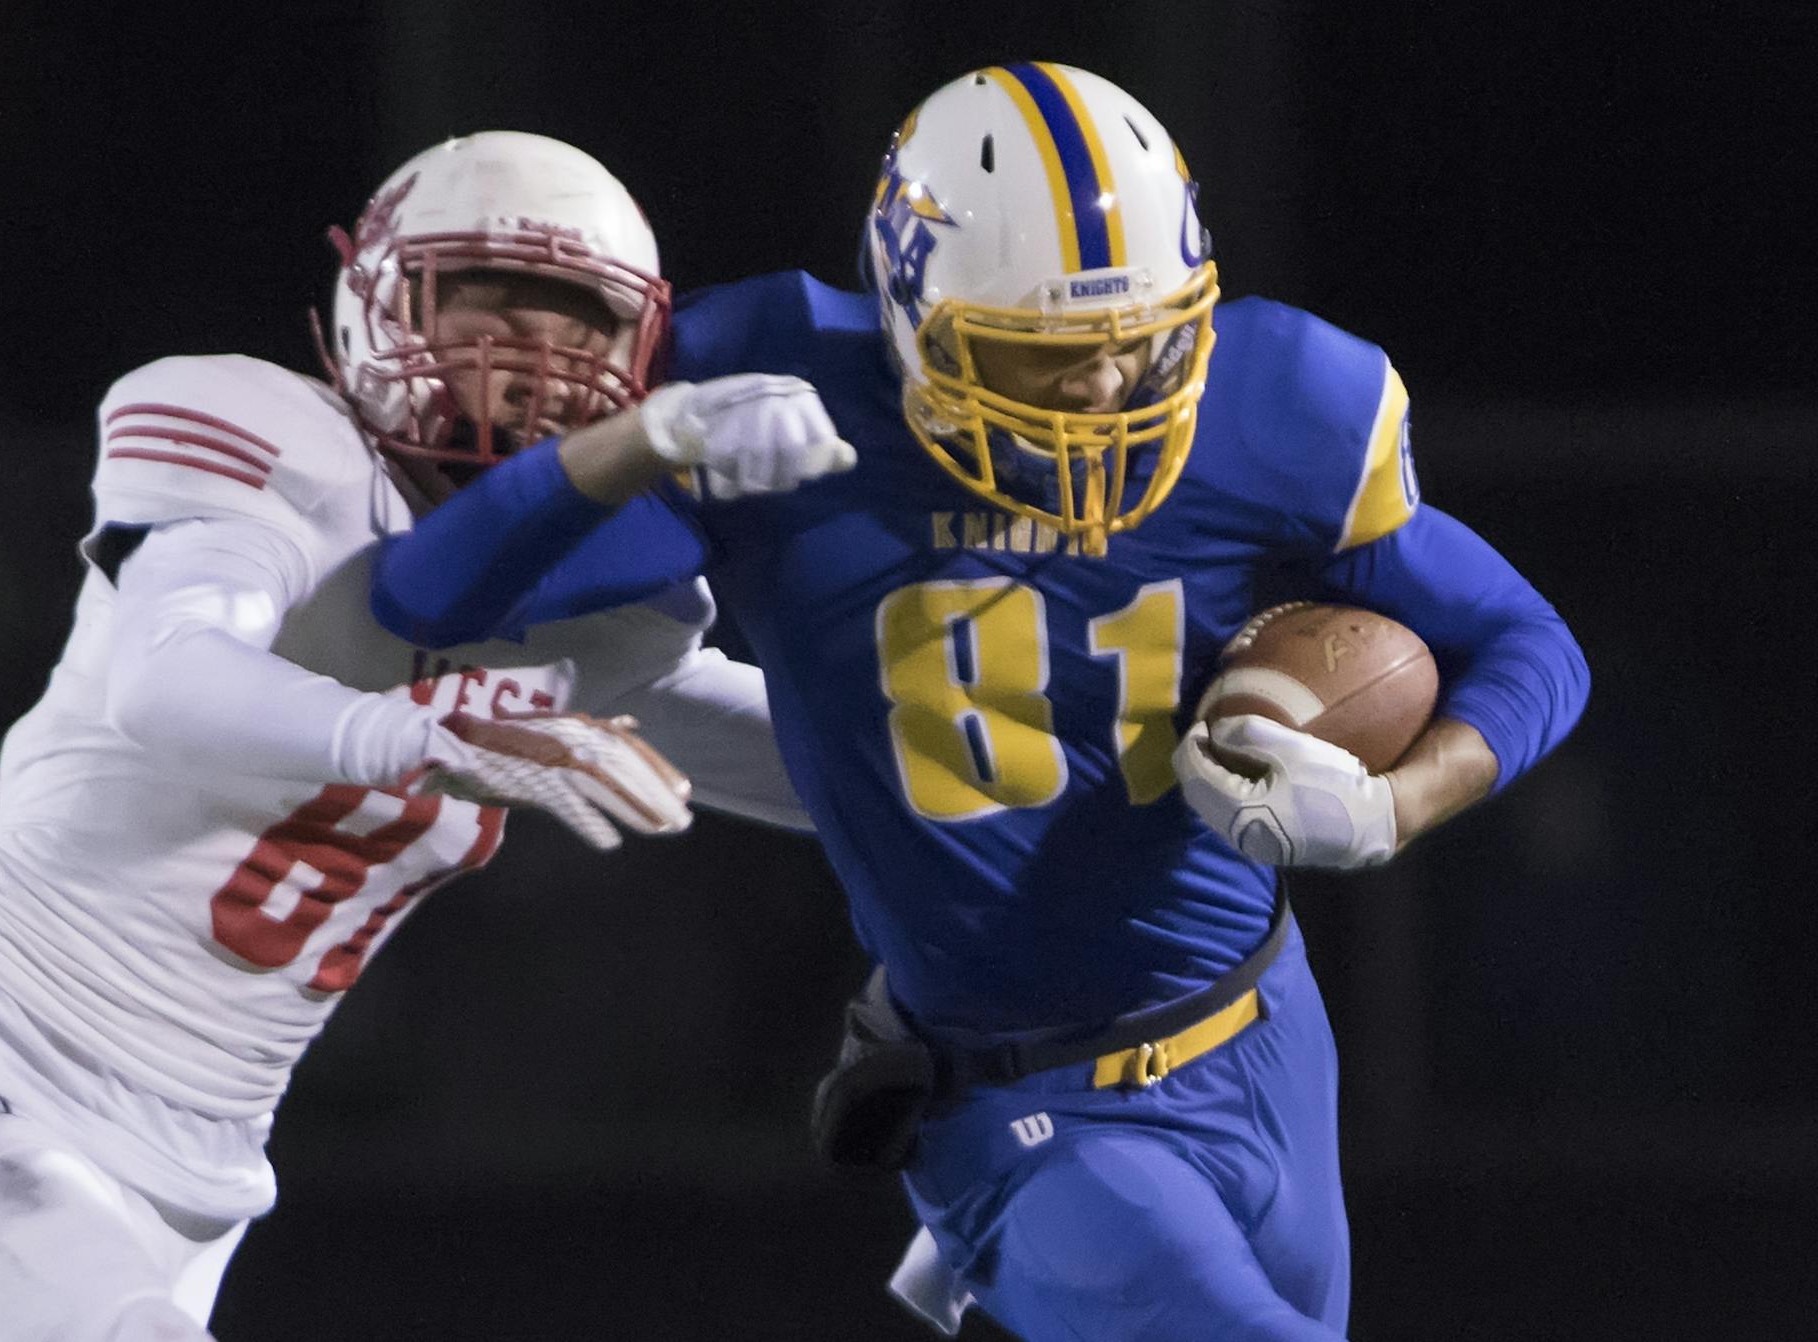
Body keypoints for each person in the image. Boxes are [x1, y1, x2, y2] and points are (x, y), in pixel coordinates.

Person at [362, 65, 1590, 1341]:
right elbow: (434, 598)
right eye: (1044, 357)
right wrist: (639, 442)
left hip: (1269, 1030)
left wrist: (1398, 802)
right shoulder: (779, 402)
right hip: (1025, 1108)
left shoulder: (1274, 403)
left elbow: (1529, 642)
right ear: (913, 318)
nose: (1109, 393)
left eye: (1141, 340)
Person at [0, 131, 829, 1342]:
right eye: (493, 302)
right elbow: (169, 679)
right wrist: (412, 733)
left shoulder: (593, 601)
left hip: (205, 1187)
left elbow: (826, 770)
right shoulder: (272, 445)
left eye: (583, 323)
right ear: (383, 305)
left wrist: (1047, 771)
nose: (540, 358)